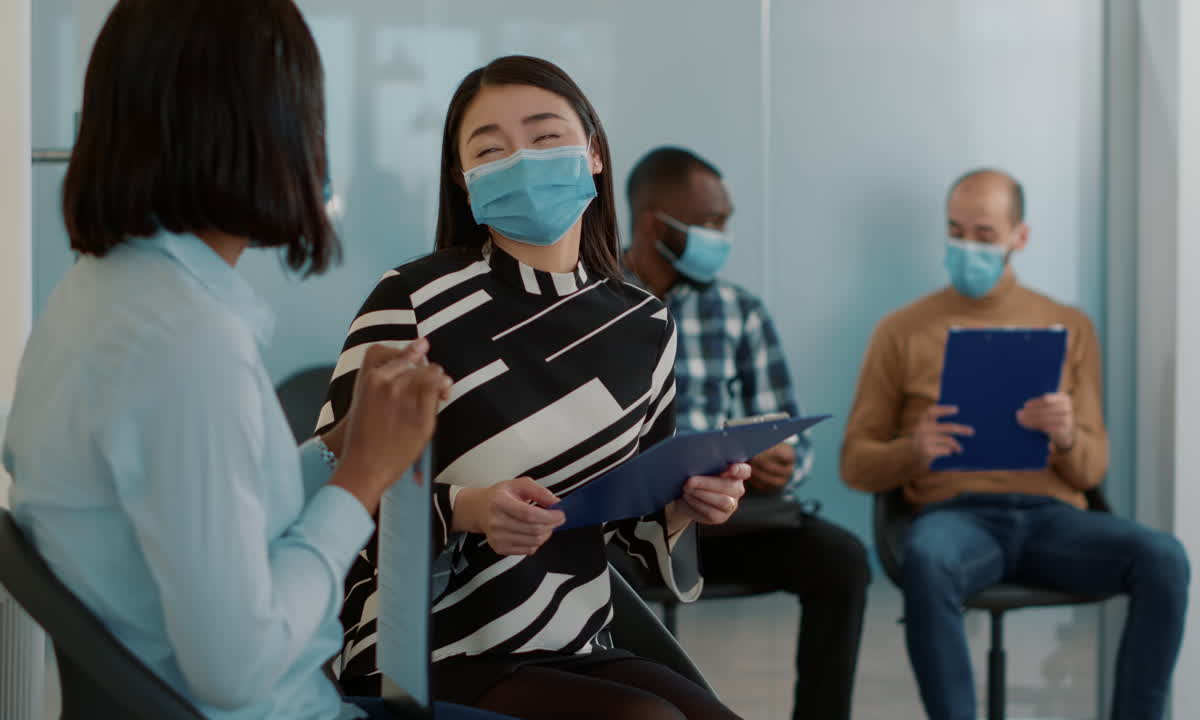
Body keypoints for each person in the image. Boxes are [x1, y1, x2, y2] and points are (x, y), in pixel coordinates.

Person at [0, 2, 513, 720]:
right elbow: (237, 666)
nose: (319, 141)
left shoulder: (98, 295)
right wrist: (363, 479)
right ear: (246, 128)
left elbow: (212, 514)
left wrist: (340, 450)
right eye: (307, 110)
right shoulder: (184, 343)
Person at [319, 56, 748, 720]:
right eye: (491, 149)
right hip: (421, 647)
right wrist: (467, 507)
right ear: (464, 183)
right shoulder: (410, 300)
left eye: (546, 137)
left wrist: (690, 503)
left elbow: (635, 519)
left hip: (574, 639)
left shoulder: (644, 323)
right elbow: (334, 489)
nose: (523, 160)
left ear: (595, 154)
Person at [841, 168, 1190, 720]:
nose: (966, 247)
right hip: (957, 520)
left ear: (1018, 237)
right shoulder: (901, 330)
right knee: (928, 557)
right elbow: (855, 463)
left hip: (1054, 521)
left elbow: (1093, 468)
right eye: (956, 231)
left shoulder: (1068, 326)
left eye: (984, 234)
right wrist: (915, 449)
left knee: (1165, 558)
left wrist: (1068, 434)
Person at [623, 146, 871, 720]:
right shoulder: (591, 302)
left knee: (843, 561)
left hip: (723, 522)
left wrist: (782, 461)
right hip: (621, 530)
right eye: (712, 223)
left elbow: (787, 436)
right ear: (654, 225)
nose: (724, 236)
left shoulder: (740, 311)